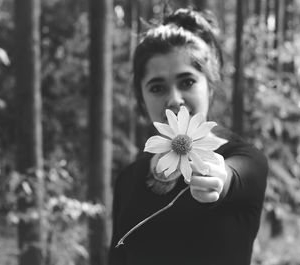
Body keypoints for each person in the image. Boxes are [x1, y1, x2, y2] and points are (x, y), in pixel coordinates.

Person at [109, 8, 268, 265]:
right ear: (141, 98)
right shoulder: (128, 180)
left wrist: (216, 178)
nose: (174, 99)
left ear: (210, 85)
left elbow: (229, 177)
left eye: (187, 82)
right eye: (157, 87)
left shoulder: (247, 161)